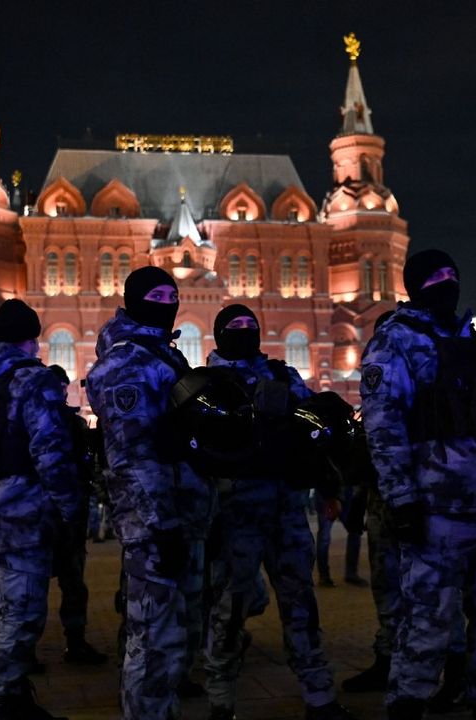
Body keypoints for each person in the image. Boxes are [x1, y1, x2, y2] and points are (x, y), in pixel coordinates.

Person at [361, 249, 476, 720]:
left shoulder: (474, 343)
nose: (447, 282)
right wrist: (402, 500)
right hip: (434, 511)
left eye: (453, 273)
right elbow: (383, 426)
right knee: (427, 620)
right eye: (436, 276)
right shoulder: (395, 343)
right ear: (414, 285)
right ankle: (408, 702)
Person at [201, 303, 354, 720]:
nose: (245, 330)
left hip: (285, 512)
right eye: (235, 326)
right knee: (229, 611)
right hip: (235, 518)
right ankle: (220, 701)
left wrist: (328, 484)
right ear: (219, 333)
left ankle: (319, 696)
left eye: (251, 324)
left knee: (300, 604)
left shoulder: (283, 376)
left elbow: (311, 434)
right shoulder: (205, 384)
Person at [86, 266, 212, 720]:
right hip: (157, 522)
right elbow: (133, 455)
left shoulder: (162, 355)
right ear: (133, 300)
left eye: (171, 293)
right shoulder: (127, 363)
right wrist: (161, 526)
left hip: (180, 514)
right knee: (153, 636)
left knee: (176, 634)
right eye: (155, 294)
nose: (166, 301)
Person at [0, 299, 84, 719]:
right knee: (22, 609)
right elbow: (49, 447)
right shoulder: (31, 380)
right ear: (32, 338)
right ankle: (1, 697)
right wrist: (69, 504)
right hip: (22, 510)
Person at [46, 363, 109, 666]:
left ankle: (74, 640)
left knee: (71, 583)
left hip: (60, 514)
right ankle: (73, 641)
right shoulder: (61, 424)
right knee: (68, 581)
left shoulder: (71, 424)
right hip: (59, 514)